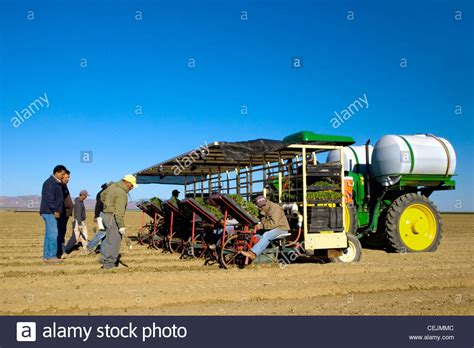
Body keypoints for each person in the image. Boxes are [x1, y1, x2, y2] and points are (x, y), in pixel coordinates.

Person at [100, 175, 138, 269]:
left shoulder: (113, 186)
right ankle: (109, 265)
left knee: (108, 240)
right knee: (114, 241)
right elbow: (119, 212)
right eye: (132, 185)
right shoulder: (121, 193)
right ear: (127, 183)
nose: (132, 188)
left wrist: (108, 205)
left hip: (106, 216)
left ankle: (107, 261)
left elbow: (102, 195)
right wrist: (121, 226)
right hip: (113, 218)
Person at [240, 196, 290, 261]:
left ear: (265, 204)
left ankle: (253, 253)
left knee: (267, 235)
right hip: (271, 229)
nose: (260, 208)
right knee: (255, 235)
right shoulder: (265, 208)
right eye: (259, 207)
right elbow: (261, 220)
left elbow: (273, 224)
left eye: (261, 207)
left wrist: (261, 226)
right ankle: (246, 251)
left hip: (281, 229)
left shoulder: (275, 208)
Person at [39, 165, 67, 263]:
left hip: (49, 211)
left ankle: (47, 256)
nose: (64, 176)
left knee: (49, 234)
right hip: (49, 212)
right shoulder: (50, 183)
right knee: (53, 234)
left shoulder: (56, 183)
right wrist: (55, 210)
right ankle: (51, 257)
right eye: (62, 174)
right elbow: (50, 199)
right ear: (57, 172)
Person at [86, 183, 111, 253]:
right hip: (102, 214)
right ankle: (90, 246)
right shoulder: (103, 193)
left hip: (102, 214)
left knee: (105, 232)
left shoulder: (102, 192)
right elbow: (98, 205)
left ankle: (102, 250)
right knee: (102, 232)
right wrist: (96, 216)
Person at [57, 169, 73, 258]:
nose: (68, 179)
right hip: (62, 214)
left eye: (69, 177)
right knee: (59, 233)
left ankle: (61, 251)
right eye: (67, 177)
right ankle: (60, 251)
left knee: (62, 232)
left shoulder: (65, 186)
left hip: (66, 214)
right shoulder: (60, 186)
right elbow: (60, 201)